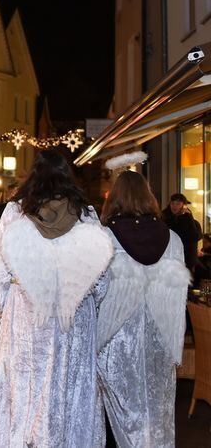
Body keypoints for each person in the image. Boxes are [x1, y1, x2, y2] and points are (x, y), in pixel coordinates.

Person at [0, 150, 113, 447]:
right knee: (69, 389)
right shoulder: (86, 214)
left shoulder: (16, 212)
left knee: (24, 389)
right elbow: (102, 271)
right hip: (74, 316)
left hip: (27, 313)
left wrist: (4, 307)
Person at [97, 170, 190, 448]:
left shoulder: (103, 238)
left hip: (115, 339)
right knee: (155, 412)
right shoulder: (172, 238)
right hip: (157, 337)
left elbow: (95, 290)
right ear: (149, 198)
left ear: (113, 199)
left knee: (114, 414)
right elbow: (178, 294)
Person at [163, 192, 202, 273]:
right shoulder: (164, 219)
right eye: (172, 203)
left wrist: (189, 217)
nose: (174, 206)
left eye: (178, 203)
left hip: (186, 261)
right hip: (169, 259)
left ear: (184, 205)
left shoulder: (193, 222)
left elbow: (195, 237)